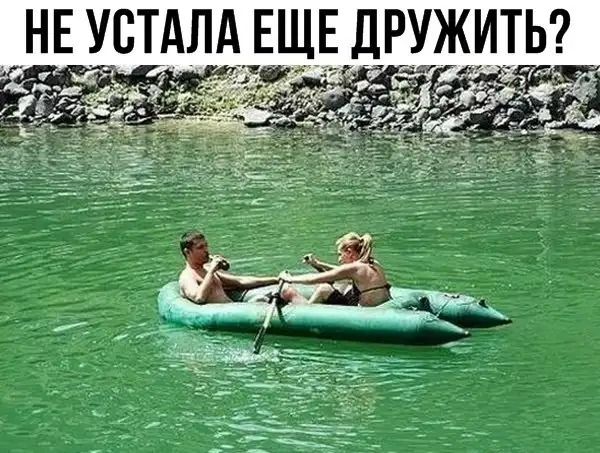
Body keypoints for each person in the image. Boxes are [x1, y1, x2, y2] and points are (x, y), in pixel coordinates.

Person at [278, 232, 392, 307]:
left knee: (324, 288)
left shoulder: (354, 268)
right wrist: (318, 264)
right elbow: (341, 271)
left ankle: (300, 306)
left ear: (349, 252)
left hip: (364, 313)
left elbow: (313, 279)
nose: (339, 259)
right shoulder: (373, 263)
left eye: (340, 254)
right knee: (341, 287)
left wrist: (289, 278)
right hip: (381, 307)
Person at [178, 230, 282, 304]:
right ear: (187, 252)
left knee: (268, 297)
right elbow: (199, 298)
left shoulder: (207, 269)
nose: (206, 250)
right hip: (221, 318)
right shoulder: (187, 276)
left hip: (234, 307)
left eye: (206, 245)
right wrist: (212, 271)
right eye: (200, 247)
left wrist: (276, 279)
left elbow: (240, 282)